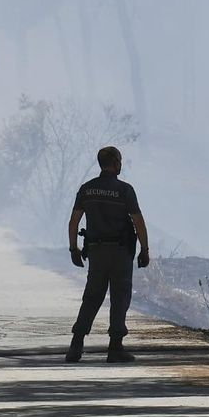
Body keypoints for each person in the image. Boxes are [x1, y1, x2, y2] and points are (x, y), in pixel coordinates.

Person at [65, 146, 150, 363]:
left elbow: (74, 221)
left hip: (96, 252)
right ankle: (115, 348)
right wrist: (144, 249)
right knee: (120, 298)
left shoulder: (87, 189)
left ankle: (76, 344)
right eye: (120, 161)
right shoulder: (125, 190)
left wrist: (73, 248)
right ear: (115, 163)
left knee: (92, 297)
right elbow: (138, 221)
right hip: (120, 253)